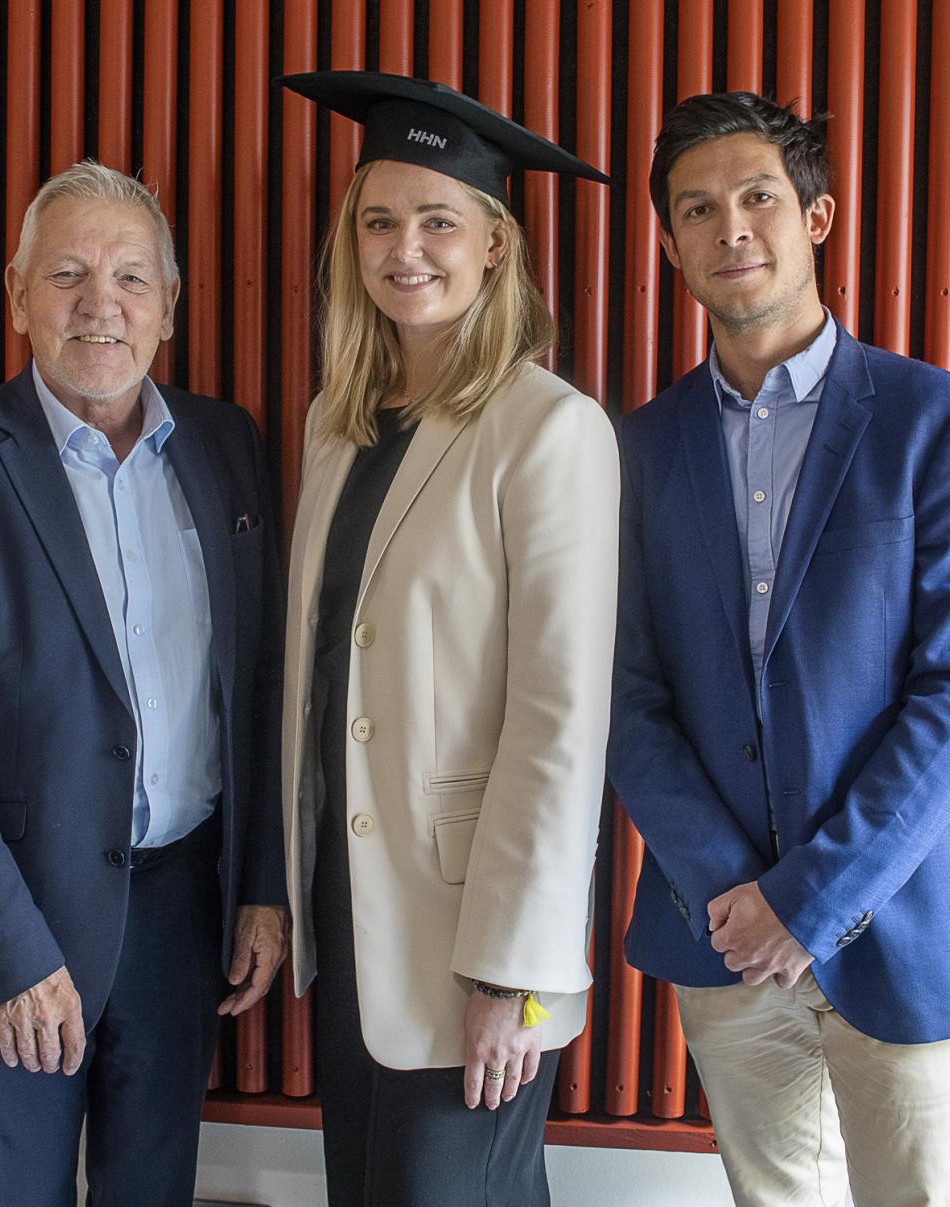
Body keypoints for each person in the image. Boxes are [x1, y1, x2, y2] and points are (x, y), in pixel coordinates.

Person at [609, 92, 950, 1205]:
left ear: (816, 217)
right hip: (724, 936)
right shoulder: (638, 446)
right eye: (696, 209)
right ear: (667, 242)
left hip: (904, 926)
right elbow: (624, 696)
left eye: (757, 197)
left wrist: (808, 899)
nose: (729, 227)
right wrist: (734, 897)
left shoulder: (941, 422)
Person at [0, 160, 286, 1207]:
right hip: (13, 922)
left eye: (132, 277)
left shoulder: (228, 445)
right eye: (66, 274)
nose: (102, 303)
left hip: (184, 915)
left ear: (169, 306)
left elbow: (264, 684)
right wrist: (7, 950)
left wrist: (263, 885)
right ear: (17, 297)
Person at [274, 71, 617, 1206]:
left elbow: (560, 720)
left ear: (495, 245)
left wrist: (513, 973)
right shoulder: (338, 427)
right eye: (378, 222)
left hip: (476, 937)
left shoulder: (549, 430)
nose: (404, 249)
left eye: (437, 221)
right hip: (355, 918)